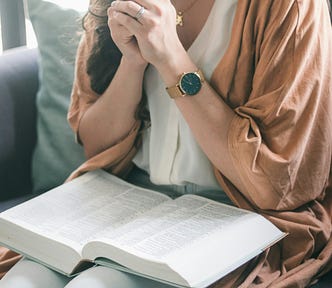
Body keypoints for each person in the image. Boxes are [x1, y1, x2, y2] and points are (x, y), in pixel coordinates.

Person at [1, 0, 331, 287]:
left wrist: (170, 58)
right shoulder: (116, 3)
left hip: (235, 213)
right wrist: (132, 62)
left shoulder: (288, 6)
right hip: (126, 200)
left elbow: (280, 184)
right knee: (20, 281)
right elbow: (97, 149)